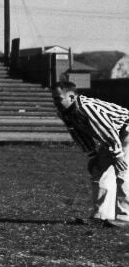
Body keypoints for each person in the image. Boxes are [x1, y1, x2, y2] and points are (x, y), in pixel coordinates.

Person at [51, 80, 129, 226]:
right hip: (114, 136)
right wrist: (93, 155)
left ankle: (125, 218)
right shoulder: (64, 112)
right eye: (54, 98)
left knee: (123, 171)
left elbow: (108, 130)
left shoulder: (87, 108)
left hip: (125, 129)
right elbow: (79, 134)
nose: (55, 102)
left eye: (59, 98)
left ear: (72, 97)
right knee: (99, 170)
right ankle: (100, 216)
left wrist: (118, 155)